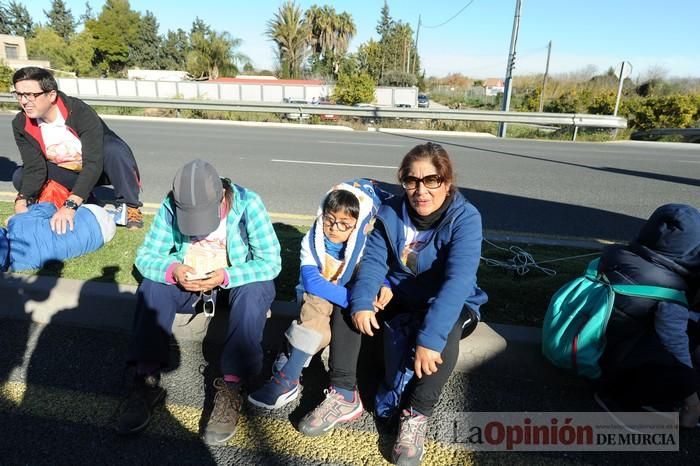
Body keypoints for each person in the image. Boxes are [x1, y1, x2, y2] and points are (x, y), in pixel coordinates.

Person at [297, 142, 487, 466]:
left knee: (446, 332)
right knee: (348, 305)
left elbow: (457, 283)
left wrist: (430, 339)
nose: (420, 190)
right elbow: (373, 263)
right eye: (412, 180)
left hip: (446, 299)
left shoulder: (465, 218)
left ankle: (416, 415)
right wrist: (360, 303)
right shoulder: (390, 213)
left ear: (447, 181)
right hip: (399, 294)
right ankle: (344, 394)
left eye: (431, 180)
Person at [115, 159, 281, 444]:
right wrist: (173, 271)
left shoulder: (248, 204)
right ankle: (145, 379)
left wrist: (226, 276)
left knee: (257, 290)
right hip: (189, 283)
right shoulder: (170, 206)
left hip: (232, 284)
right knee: (153, 287)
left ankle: (231, 386)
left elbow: (270, 262)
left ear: (222, 197)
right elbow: (146, 257)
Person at [248, 179, 391, 409]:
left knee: (328, 305)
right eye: (329, 219)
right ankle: (288, 379)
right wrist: (354, 301)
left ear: (357, 226)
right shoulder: (311, 241)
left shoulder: (364, 244)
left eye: (344, 224)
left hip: (348, 296)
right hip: (317, 297)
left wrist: (385, 284)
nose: (334, 228)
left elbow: (373, 267)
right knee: (318, 302)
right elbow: (313, 283)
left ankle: (291, 359)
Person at [594, 203, 700, 428]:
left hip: (598, 348)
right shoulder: (669, 289)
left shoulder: (621, 256)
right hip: (617, 367)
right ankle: (619, 399)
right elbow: (675, 344)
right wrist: (692, 398)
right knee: (685, 342)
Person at [10, 66, 144, 231]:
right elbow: (34, 167)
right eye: (19, 95)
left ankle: (130, 206)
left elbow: (94, 162)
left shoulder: (79, 111)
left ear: (51, 95)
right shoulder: (20, 124)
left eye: (31, 95)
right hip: (67, 171)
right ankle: (89, 199)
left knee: (114, 149)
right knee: (20, 176)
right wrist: (22, 200)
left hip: (100, 168)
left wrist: (71, 204)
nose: (24, 101)